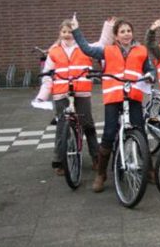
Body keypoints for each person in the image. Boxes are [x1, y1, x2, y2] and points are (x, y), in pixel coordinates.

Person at [71, 16, 155, 193]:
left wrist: (151, 75)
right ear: (116, 36)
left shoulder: (141, 50)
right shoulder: (107, 50)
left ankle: (149, 168)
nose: (126, 34)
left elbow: (149, 68)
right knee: (109, 133)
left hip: (133, 94)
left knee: (139, 129)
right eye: (122, 31)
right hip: (114, 96)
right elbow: (86, 49)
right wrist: (76, 30)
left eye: (128, 31)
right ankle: (101, 174)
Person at [36, 18, 114, 175]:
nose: (67, 34)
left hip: (81, 91)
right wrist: (43, 96)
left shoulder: (84, 47)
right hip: (61, 92)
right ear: (59, 33)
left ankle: (96, 156)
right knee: (61, 125)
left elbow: (102, 44)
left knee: (88, 124)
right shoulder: (54, 51)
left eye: (70, 31)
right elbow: (47, 76)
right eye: (64, 31)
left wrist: (108, 26)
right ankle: (59, 159)